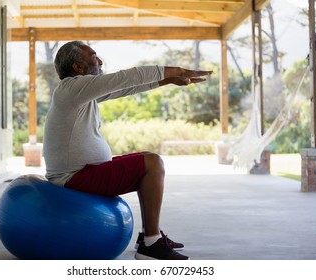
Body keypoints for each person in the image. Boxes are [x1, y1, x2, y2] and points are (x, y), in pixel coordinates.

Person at [43, 41, 212, 260]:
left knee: (145, 160)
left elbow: (125, 88)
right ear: (78, 67)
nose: (100, 60)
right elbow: (127, 77)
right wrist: (176, 70)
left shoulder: (79, 91)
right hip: (74, 178)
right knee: (152, 163)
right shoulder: (73, 88)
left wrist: (167, 80)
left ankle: (149, 236)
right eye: (94, 56)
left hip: (82, 173)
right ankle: (151, 245)